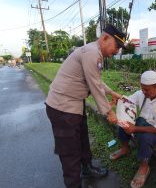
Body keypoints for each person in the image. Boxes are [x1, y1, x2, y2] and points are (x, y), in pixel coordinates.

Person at [45, 24, 126, 188]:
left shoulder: (94, 52)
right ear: (104, 38)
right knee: (70, 151)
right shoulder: (91, 53)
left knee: (82, 139)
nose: (117, 51)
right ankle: (73, 184)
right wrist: (109, 112)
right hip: (62, 107)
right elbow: (95, 87)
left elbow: (95, 80)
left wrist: (111, 93)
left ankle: (87, 168)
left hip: (74, 104)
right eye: (117, 46)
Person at [110, 70, 156, 188]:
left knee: (145, 137)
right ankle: (125, 148)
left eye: (146, 89)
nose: (143, 91)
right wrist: (118, 102)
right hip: (142, 123)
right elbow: (128, 102)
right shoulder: (142, 93)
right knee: (125, 123)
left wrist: (135, 128)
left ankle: (144, 166)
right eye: (142, 88)